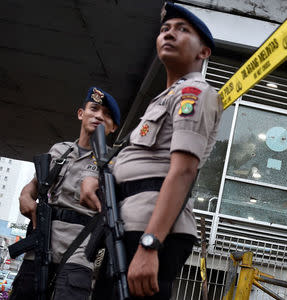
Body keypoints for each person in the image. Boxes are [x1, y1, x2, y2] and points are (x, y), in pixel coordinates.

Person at [80, 2, 222, 299]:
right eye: (164, 29)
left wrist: (150, 243)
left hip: (152, 228)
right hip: (128, 223)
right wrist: (96, 176)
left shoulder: (194, 93)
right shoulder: (163, 98)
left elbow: (183, 171)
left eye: (182, 30)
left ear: (203, 52)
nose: (169, 34)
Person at [9, 87, 120, 300]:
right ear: (81, 113)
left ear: (113, 127)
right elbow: (33, 186)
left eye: (106, 115)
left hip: (79, 252)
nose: (98, 116)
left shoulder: (114, 162)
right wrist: (24, 197)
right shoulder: (59, 150)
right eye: (94, 109)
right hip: (41, 244)